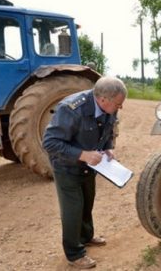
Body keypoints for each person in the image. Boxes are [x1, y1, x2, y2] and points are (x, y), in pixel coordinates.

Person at [42, 76, 127, 269]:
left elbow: (108, 129)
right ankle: (74, 254)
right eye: (118, 104)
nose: (119, 108)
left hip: (90, 166)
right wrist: (83, 155)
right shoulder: (71, 109)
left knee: (87, 201)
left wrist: (108, 147)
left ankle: (86, 237)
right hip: (66, 166)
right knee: (73, 209)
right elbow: (50, 143)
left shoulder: (108, 106)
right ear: (103, 99)